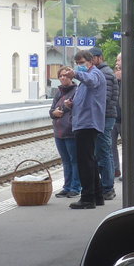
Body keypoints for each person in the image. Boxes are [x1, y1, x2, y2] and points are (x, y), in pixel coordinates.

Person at [70, 49, 107, 209]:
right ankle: (97, 196)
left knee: (85, 162)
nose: (79, 66)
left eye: (82, 63)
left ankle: (87, 198)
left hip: (87, 123)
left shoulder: (95, 74)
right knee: (90, 160)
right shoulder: (88, 77)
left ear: (91, 62)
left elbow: (91, 81)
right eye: (77, 64)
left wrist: (76, 74)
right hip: (85, 122)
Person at [91, 47, 119, 200]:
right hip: (102, 117)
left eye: (91, 59)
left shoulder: (105, 74)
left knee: (103, 152)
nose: (89, 62)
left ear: (99, 58)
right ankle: (105, 186)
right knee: (101, 151)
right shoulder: (102, 72)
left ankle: (108, 188)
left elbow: (103, 98)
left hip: (104, 117)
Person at [49, 66, 80, 198]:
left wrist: (60, 110)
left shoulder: (77, 90)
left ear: (71, 77)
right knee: (66, 161)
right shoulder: (58, 92)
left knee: (74, 160)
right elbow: (52, 110)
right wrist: (53, 113)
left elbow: (69, 108)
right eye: (61, 76)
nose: (63, 78)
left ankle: (75, 187)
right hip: (59, 131)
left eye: (66, 75)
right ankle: (66, 187)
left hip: (70, 130)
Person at [112, 53, 123, 179]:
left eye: (119, 59)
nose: (117, 62)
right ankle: (115, 169)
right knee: (111, 146)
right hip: (113, 116)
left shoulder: (132, 75)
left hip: (124, 117)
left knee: (127, 146)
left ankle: (129, 170)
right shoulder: (113, 76)